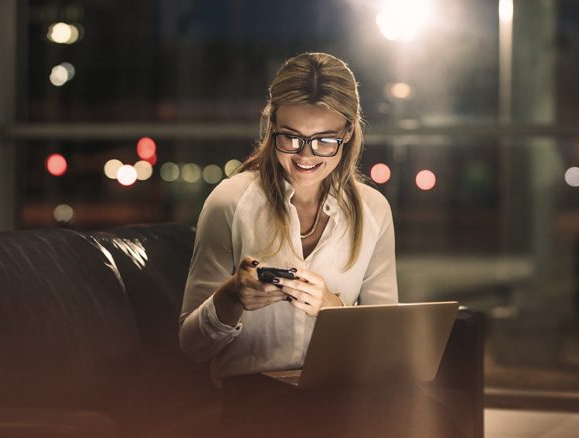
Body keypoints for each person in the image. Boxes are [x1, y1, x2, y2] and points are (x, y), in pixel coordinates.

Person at [179, 52, 453, 437]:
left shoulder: (373, 210)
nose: (305, 155)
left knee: (426, 414)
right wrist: (232, 297)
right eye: (291, 137)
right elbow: (191, 345)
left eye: (325, 140)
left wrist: (334, 308)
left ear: (349, 133)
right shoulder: (229, 201)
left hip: (347, 391)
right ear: (270, 124)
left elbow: (388, 348)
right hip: (254, 393)